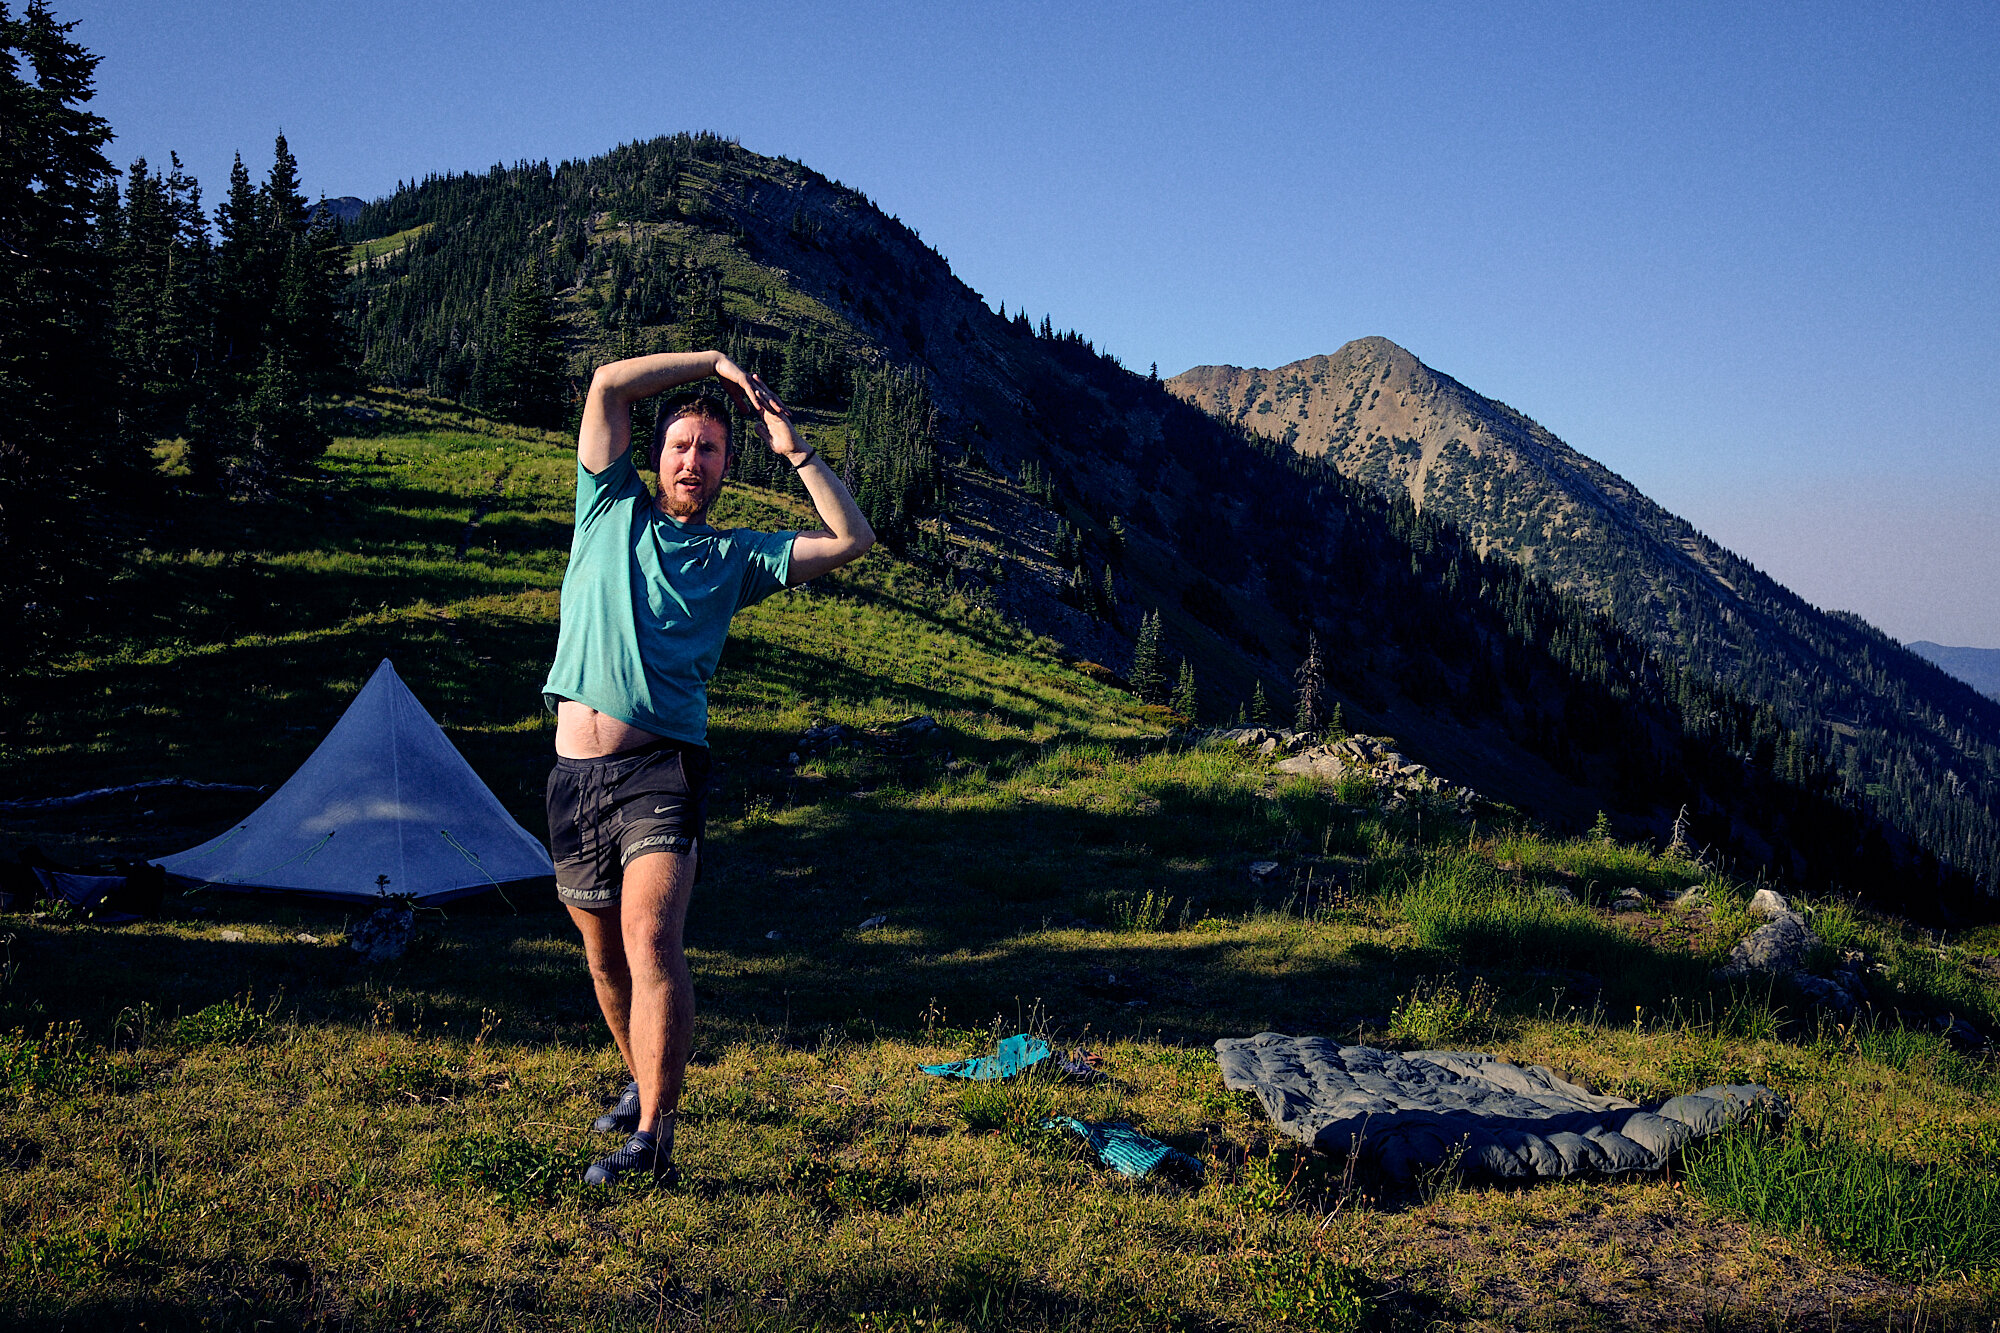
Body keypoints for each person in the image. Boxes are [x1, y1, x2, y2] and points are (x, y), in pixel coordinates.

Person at [542, 349, 874, 1186]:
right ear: (655, 457)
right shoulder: (605, 505)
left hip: (663, 768)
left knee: (650, 939)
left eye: (712, 450)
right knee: (604, 959)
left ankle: (654, 1136)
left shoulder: (736, 558)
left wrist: (792, 446)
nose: (694, 460)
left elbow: (851, 539)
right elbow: (609, 383)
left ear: (728, 468)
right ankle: (644, 1079)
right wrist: (716, 363)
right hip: (573, 777)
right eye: (683, 445)